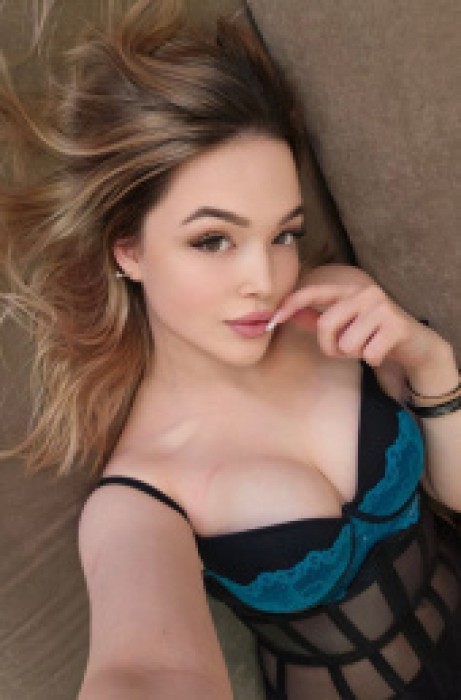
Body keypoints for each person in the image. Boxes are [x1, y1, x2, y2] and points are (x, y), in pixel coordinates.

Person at [1, 1, 460, 698]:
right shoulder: (140, 498)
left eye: (283, 234)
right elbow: (146, 671)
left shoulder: (336, 308)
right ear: (129, 250)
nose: (265, 280)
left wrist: (430, 364)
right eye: (213, 240)